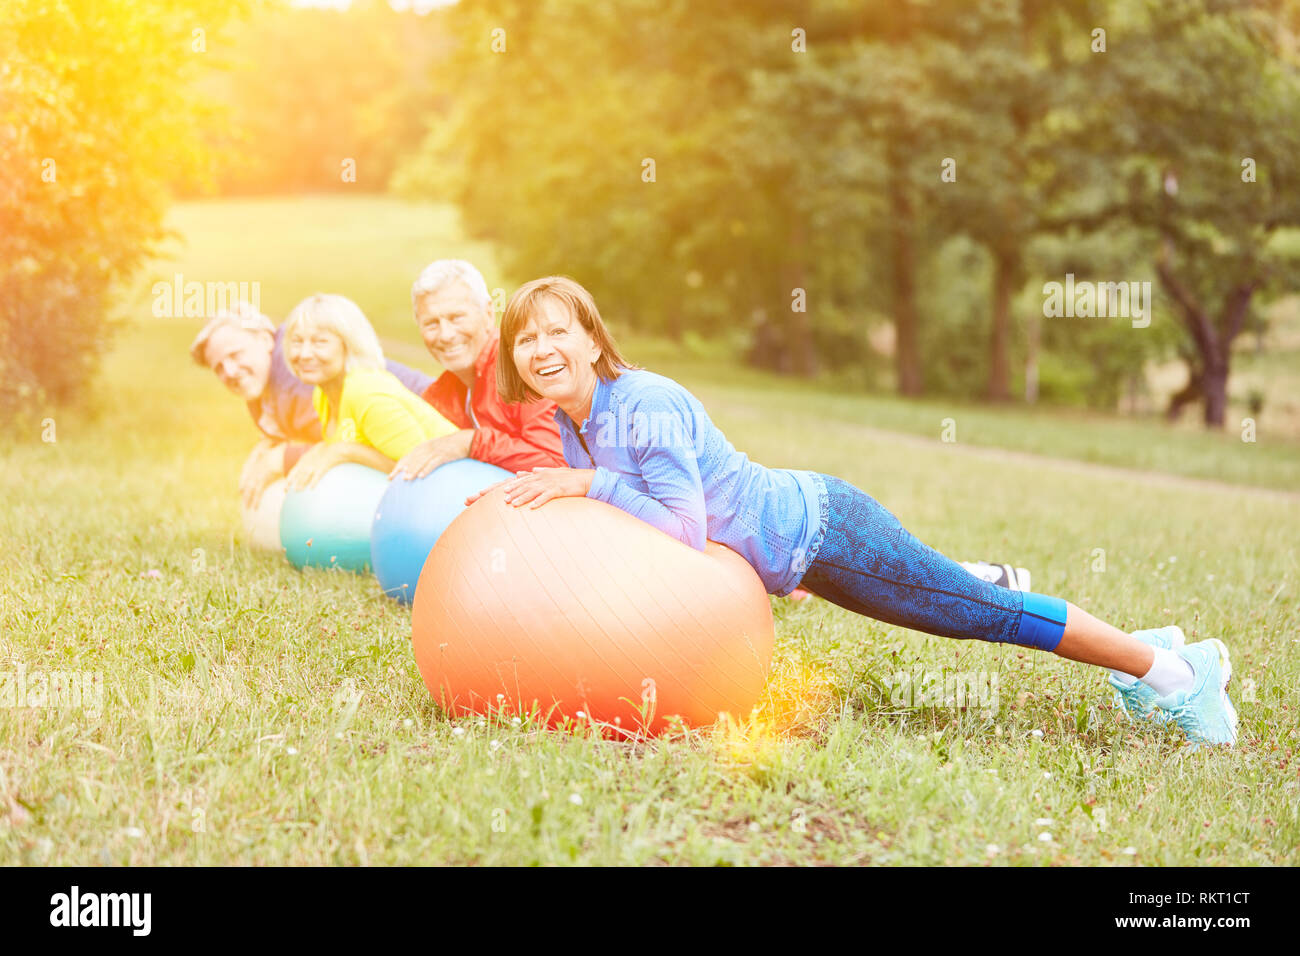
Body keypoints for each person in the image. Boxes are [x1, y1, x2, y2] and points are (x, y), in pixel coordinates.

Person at [473, 276, 1237, 748]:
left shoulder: (644, 405)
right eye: (526, 337)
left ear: (592, 336)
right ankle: (992, 584)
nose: (541, 347)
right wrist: (514, 511)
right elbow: (616, 531)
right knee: (959, 593)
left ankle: (1174, 673)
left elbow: (678, 529)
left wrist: (584, 489)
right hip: (802, 555)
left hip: (825, 534)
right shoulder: (575, 424)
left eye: (556, 330)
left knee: (989, 617)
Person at [189, 301, 435, 507]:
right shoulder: (265, 380)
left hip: (438, 424)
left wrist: (282, 458)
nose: (229, 371)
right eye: (218, 366)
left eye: (235, 355)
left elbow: (343, 444)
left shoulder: (300, 379)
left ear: (265, 340)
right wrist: (267, 445)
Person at [390, 260, 564, 480]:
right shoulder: (440, 395)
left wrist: (471, 442)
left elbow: (557, 466)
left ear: (488, 313)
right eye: (431, 323)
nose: (446, 335)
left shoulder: (524, 368)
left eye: (457, 318)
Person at [280, 294, 457, 489]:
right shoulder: (322, 394)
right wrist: (323, 449)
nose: (304, 354)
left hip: (457, 490)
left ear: (348, 345)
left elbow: (422, 469)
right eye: (297, 342)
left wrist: (345, 452)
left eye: (320, 342)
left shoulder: (365, 392)